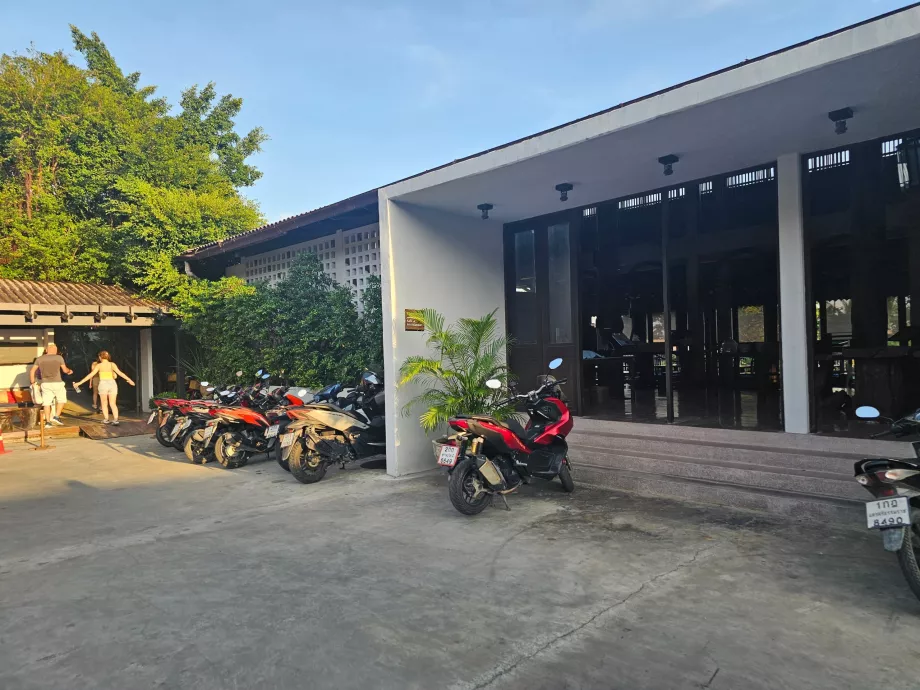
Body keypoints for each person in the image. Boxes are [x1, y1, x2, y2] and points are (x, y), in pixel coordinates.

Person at [73, 351, 135, 425]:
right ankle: (115, 419)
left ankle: (106, 419)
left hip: (103, 384)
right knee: (113, 403)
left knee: (104, 403)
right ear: (108, 357)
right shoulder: (112, 364)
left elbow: (90, 375)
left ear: (100, 357)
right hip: (112, 384)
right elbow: (120, 373)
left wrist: (79, 383)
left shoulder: (99, 365)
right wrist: (130, 380)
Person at [29, 343, 73, 428]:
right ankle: (56, 417)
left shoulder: (39, 359)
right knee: (62, 400)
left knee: (46, 403)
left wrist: (32, 382)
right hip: (57, 383)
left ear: (46, 350)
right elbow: (64, 370)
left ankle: (48, 422)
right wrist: (69, 371)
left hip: (45, 384)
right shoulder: (59, 358)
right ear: (56, 351)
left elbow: (32, 371)